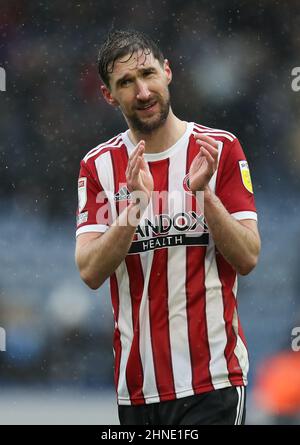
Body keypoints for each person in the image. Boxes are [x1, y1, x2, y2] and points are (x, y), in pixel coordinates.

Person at [75, 29, 261, 425]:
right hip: (137, 390)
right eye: (126, 82)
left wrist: (206, 197)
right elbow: (90, 270)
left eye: (148, 74)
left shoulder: (220, 148)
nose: (142, 91)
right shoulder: (99, 166)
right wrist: (135, 205)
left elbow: (248, 256)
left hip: (214, 384)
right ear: (109, 95)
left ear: (168, 72)